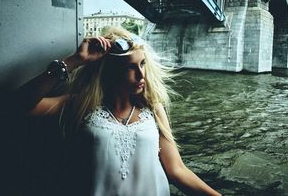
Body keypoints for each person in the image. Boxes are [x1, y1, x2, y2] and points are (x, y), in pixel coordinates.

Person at [17, 26, 221, 196]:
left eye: (142, 64)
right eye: (130, 67)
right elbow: (19, 106)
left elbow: (177, 170)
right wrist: (74, 60)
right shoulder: (80, 105)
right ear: (111, 71)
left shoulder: (153, 108)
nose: (141, 74)